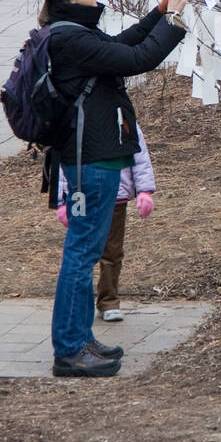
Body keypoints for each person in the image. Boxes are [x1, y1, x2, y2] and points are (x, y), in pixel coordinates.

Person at [36, 0, 188, 377]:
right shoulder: (70, 41)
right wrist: (173, 19)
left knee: (83, 253)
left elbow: (121, 48)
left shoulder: (73, 33)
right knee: (82, 255)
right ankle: (69, 351)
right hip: (93, 165)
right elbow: (138, 58)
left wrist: (158, 14)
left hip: (97, 160)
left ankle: (81, 339)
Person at [56, 122, 156, 322]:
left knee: (112, 251)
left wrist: (144, 190)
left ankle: (109, 301)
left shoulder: (123, 119)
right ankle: (78, 303)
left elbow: (139, 155)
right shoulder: (74, 119)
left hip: (114, 197)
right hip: (79, 195)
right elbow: (63, 161)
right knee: (81, 250)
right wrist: (62, 200)